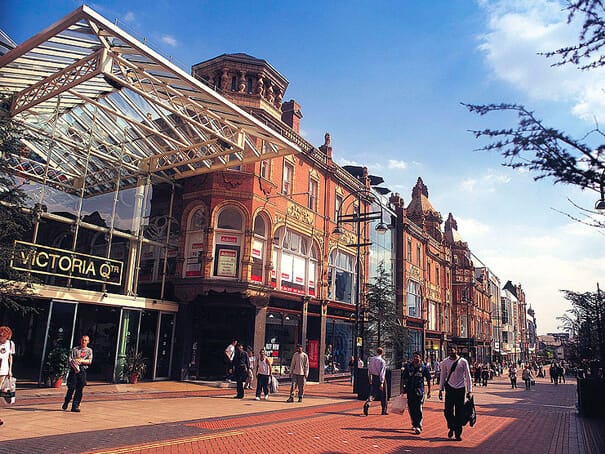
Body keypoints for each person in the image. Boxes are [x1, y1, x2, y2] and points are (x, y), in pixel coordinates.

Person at [438, 346, 473, 442]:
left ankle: (458, 433)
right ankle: (452, 426)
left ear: (456, 351)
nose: (450, 352)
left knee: (459, 412)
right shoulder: (445, 362)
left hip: (460, 389)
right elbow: (442, 376)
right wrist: (440, 389)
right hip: (450, 388)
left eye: (452, 350)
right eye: (449, 350)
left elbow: (468, 376)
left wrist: (469, 390)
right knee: (447, 411)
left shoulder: (463, 361)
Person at [401, 351, 432, 434]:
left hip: (419, 391)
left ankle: (419, 425)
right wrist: (402, 388)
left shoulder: (424, 367)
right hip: (410, 390)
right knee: (411, 408)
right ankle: (414, 423)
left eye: (417, 357)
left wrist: (429, 391)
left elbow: (428, 379)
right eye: (414, 357)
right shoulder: (409, 367)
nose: (415, 358)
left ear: (420, 358)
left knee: (418, 408)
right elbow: (404, 378)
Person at [62, 335, 93, 412]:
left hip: (82, 370)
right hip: (74, 370)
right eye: (83, 340)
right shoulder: (75, 349)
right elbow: (70, 359)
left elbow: (89, 361)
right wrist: (75, 364)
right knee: (71, 388)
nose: (84, 342)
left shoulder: (89, 350)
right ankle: (66, 401)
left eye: (85, 340)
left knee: (79, 389)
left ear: (88, 341)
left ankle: (75, 406)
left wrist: (81, 361)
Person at [363, 347, 388, 416]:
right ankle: (384, 410)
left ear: (376, 352)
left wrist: (370, 378)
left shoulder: (371, 359)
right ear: (382, 353)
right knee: (384, 395)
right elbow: (382, 372)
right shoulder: (382, 361)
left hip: (374, 377)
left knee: (372, 393)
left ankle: (367, 403)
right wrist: (382, 382)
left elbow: (369, 370)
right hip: (379, 378)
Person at [0, 326, 15, 426]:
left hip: (3, 370)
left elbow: (10, 357)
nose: (2, 338)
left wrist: (10, 370)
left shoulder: (10, 344)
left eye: (3, 336)